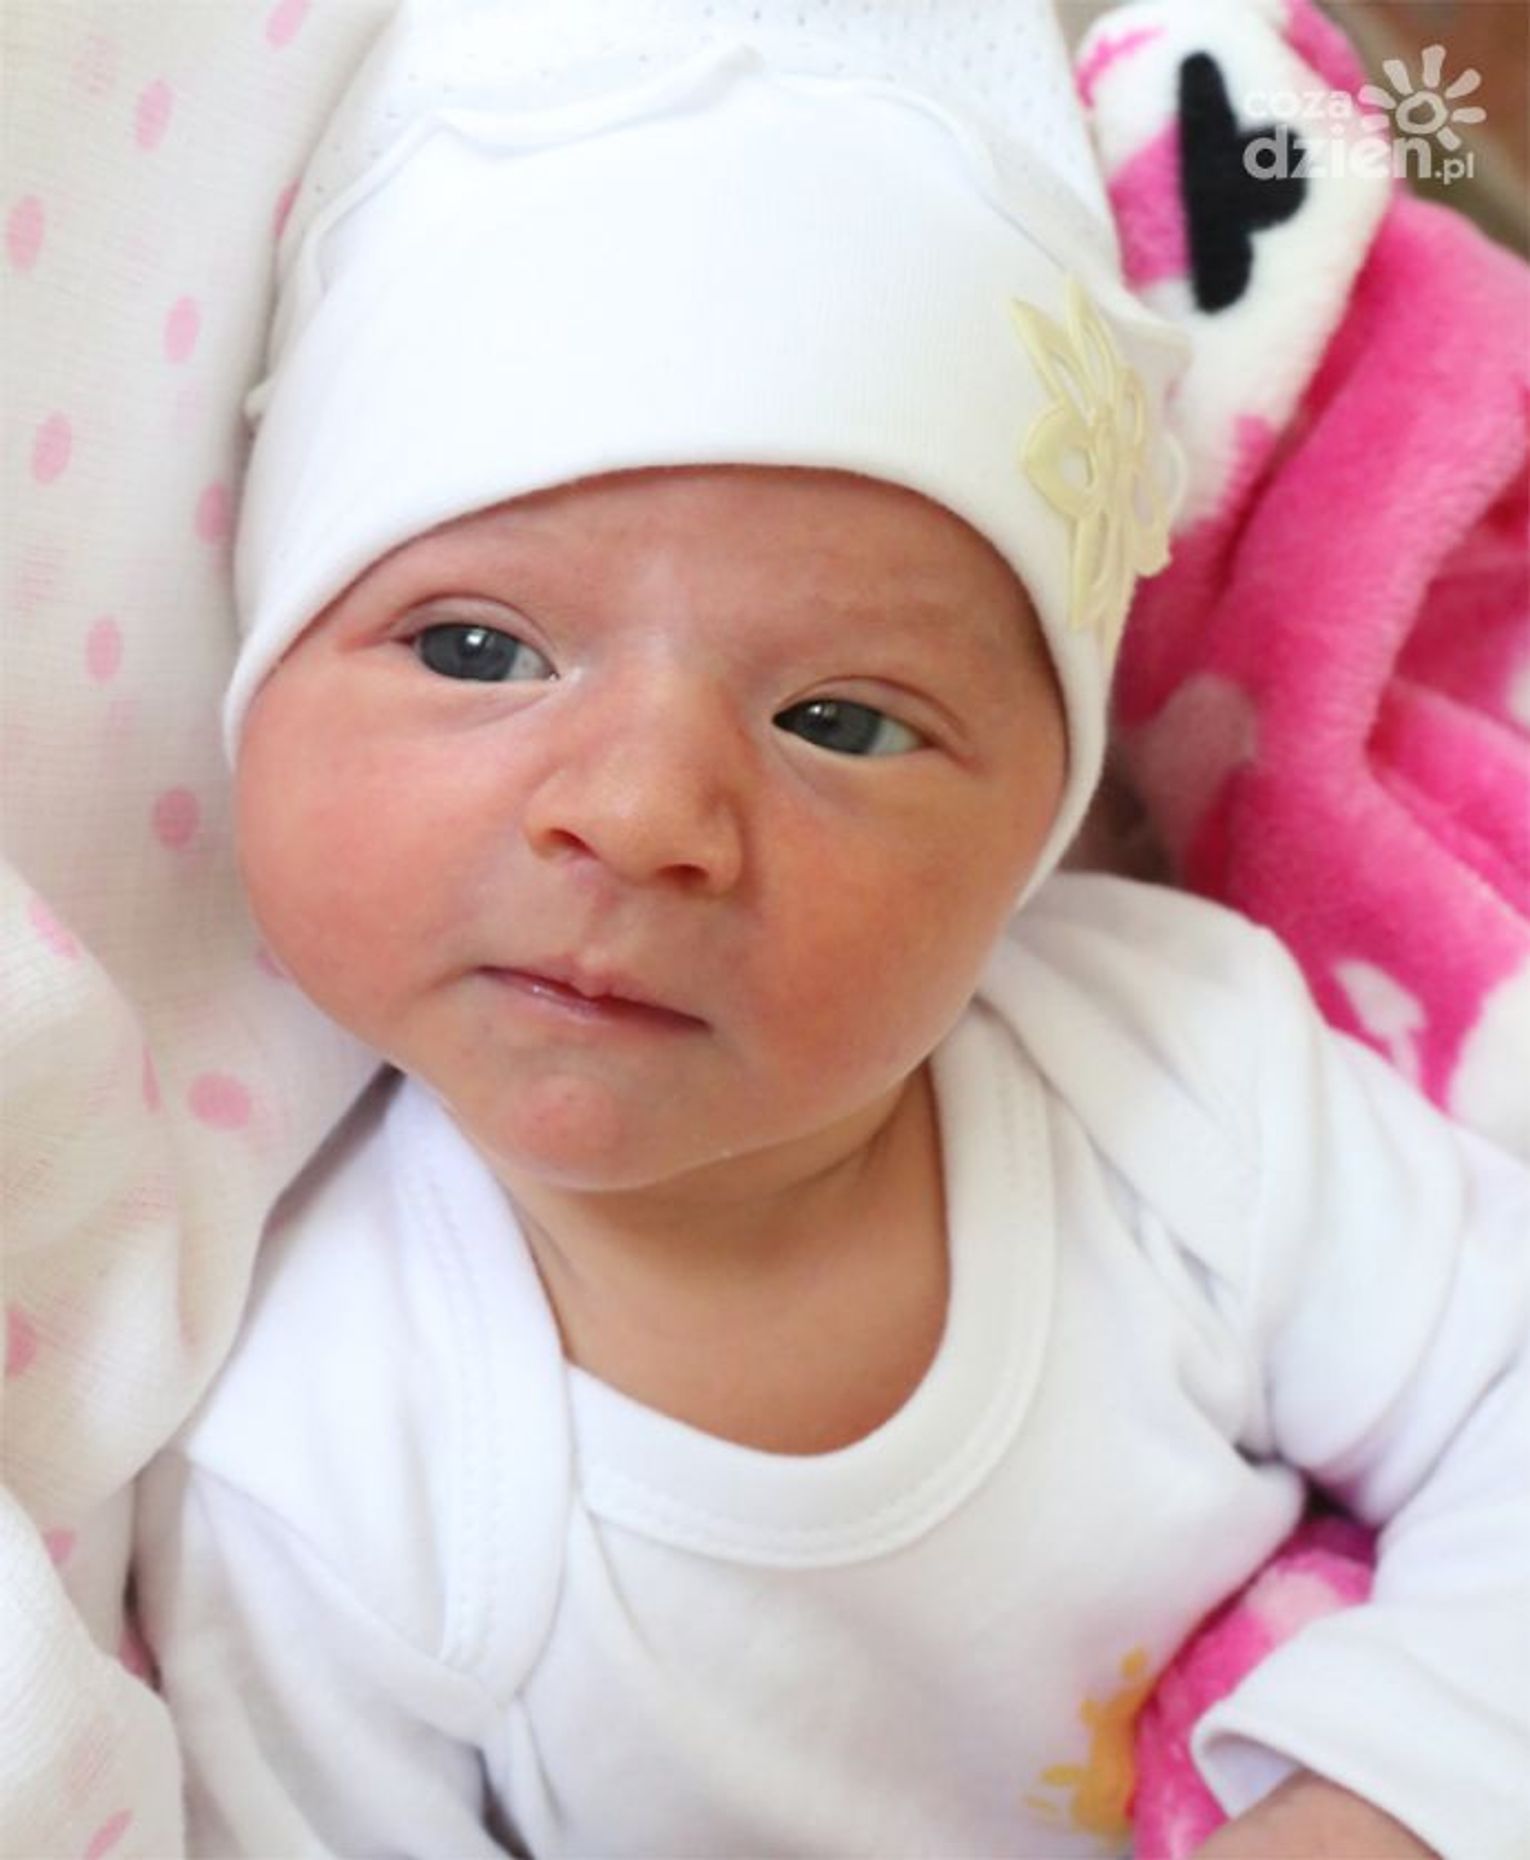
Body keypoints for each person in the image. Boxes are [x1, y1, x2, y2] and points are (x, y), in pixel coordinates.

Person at [134, 3, 1529, 1855]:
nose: (642, 815)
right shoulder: (323, 1485)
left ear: (1040, 825)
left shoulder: (1173, 1072)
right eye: (476, 649)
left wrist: (1380, 1798)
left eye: (842, 723)